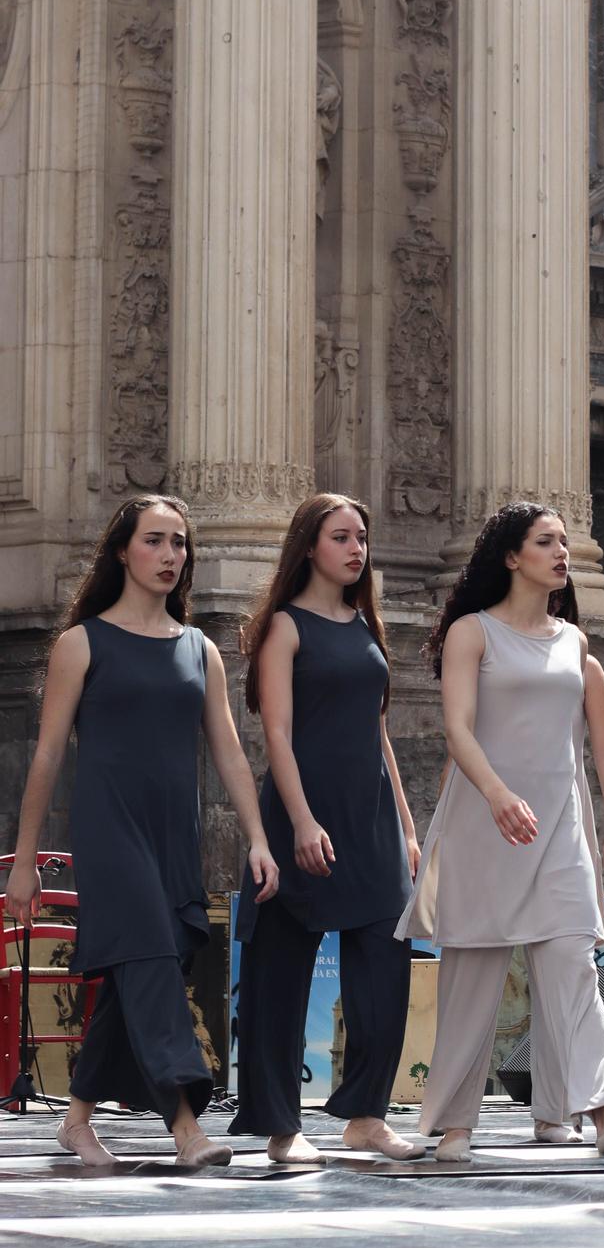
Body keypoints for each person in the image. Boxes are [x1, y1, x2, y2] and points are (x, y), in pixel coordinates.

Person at [399, 501, 604, 1164]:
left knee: (571, 964)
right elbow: (459, 730)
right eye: (545, 542)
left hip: (558, 824)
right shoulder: (473, 632)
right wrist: (497, 795)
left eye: (563, 541)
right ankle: (454, 1126)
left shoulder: (573, 642)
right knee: (471, 973)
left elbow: (603, 751)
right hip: (483, 820)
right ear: (510, 556)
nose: (561, 553)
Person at [2, 496, 278, 1169]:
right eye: (154, 541)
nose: (169, 556)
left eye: (179, 544)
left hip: (172, 837)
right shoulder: (81, 643)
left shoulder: (199, 648)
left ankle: (77, 1118)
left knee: (140, 970)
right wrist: (25, 861)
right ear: (123, 550)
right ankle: (186, 1124)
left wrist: (259, 838)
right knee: (151, 961)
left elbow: (230, 751)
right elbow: (46, 756)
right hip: (108, 834)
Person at [229, 493, 424, 1163]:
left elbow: (379, 733)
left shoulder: (364, 624)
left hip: (370, 821)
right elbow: (276, 733)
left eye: (362, 538)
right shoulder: (286, 626)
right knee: (280, 975)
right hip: (300, 816)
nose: (356, 549)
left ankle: (366, 1114)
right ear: (309, 546)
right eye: (342, 536)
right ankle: (283, 1127)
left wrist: (405, 826)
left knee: (385, 968)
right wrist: (303, 820)